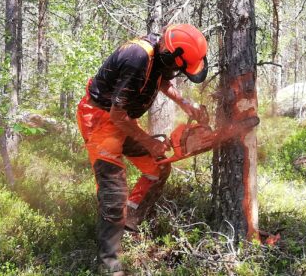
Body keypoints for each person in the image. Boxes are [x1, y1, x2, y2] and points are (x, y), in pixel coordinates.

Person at [76, 24, 209, 276]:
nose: (176, 72)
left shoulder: (161, 55)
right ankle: (109, 266)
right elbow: (117, 115)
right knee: (114, 191)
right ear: (170, 56)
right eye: (178, 67)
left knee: (157, 168)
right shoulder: (137, 58)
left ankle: (130, 220)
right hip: (101, 121)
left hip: (122, 121)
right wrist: (149, 142)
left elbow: (162, 82)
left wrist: (185, 103)